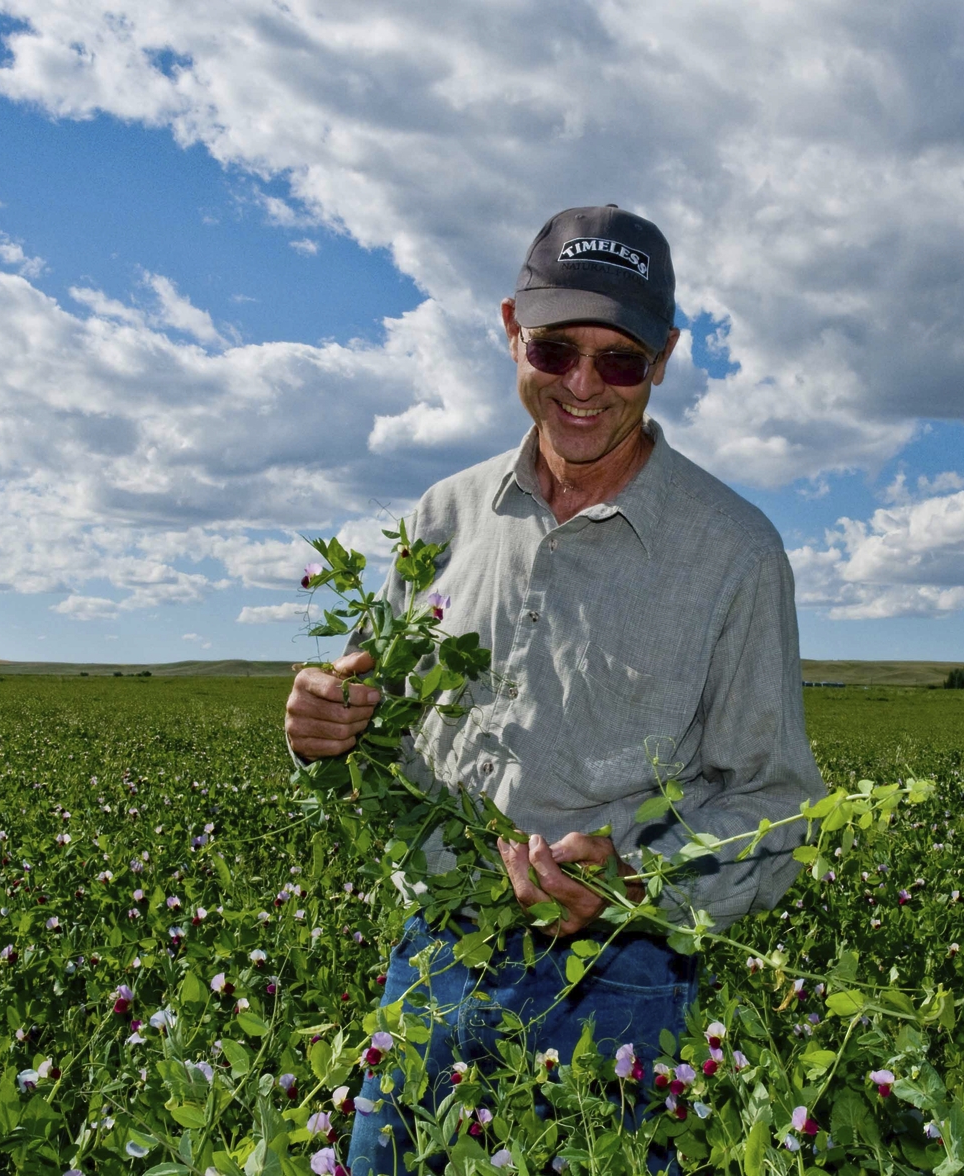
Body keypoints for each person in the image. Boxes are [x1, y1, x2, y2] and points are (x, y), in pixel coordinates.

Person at [285, 205, 824, 1174]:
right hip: (436, 953)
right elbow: (370, 723)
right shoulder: (443, 515)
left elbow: (772, 802)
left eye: (618, 360)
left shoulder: (733, 553)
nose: (582, 387)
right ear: (509, 329)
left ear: (662, 357)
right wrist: (325, 725)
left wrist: (636, 878)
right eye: (554, 348)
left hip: (621, 983)